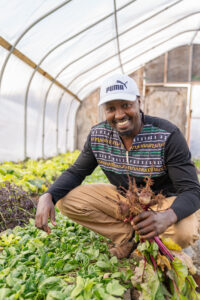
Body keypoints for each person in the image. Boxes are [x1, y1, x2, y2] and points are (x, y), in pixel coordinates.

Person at [35, 74, 200, 259]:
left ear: (139, 101)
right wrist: (48, 195)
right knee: (67, 201)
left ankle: (158, 234)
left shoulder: (167, 135)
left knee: (184, 232)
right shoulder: (99, 136)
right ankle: (130, 238)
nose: (119, 114)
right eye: (111, 108)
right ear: (104, 111)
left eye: (126, 105)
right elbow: (76, 172)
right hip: (127, 202)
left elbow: (192, 191)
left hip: (164, 203)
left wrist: (168, 216)